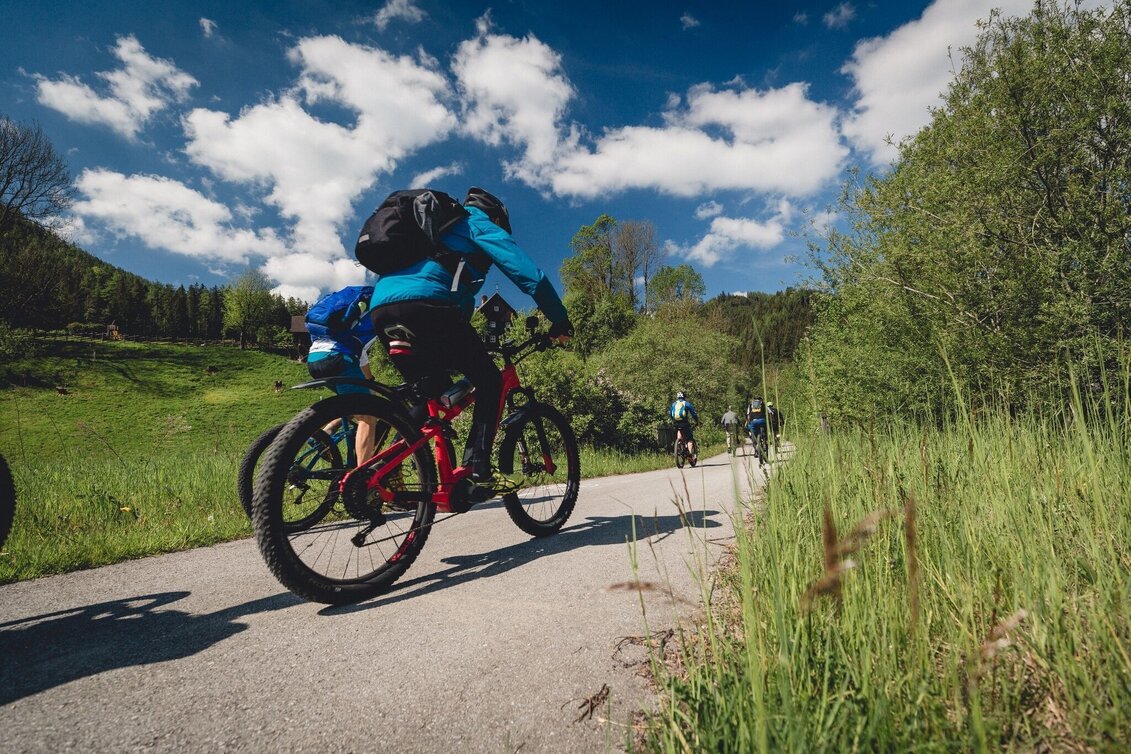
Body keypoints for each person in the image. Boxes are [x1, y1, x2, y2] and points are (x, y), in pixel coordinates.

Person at [368, 187, 572, 486]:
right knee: (489, 380)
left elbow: (458, 302)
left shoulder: (430, 233)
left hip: (382, 309)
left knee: (432, 391)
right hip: (428, 305)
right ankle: (477, 470)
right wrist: (560, 320)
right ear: (496, 217)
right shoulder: (477, 223)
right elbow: (530, 275)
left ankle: (380, 469)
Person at [305, 285, 379, 465]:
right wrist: (370, 382)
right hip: (339, 358)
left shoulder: (336, 324)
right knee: (369, 415)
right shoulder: (367, 319)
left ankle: (326, 433)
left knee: (352, 404)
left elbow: (358, 352)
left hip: (314, 360)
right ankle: (363, 476)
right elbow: (359, 352)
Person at [669, 391, 700, 459]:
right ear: (684, 397)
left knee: (679, 432)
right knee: (690, 439)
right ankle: (690, 454)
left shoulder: (674, 404)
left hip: (676, 423)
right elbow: (694, 414)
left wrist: (673, 420)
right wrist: (697, 421)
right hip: (685, 423)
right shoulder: (686, 404)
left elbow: (670, 413)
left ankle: (679, 445)